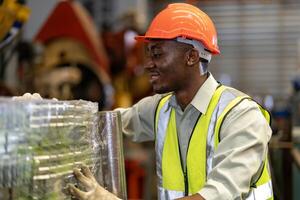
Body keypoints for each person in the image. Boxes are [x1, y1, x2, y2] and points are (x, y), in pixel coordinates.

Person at [68, 2, 273, 200]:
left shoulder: (242, 117)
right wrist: (45, 108)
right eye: (148, 54)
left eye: (157, 54)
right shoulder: (162, 108)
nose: (148, 64)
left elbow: (214, 195)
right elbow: (107, 123)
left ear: (191, 57)